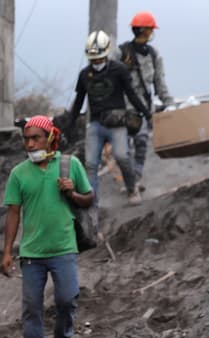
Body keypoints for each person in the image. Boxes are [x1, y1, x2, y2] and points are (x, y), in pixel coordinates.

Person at [0, 116, 95, 338]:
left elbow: (89, 198)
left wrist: (72, 193)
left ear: (51, 138)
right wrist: (7, 252)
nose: (30, 144)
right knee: (32, 308)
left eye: (35, 138)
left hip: (64, 248)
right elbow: (13, 213)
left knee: (67, 298)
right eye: (26, 139)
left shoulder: (70, 165)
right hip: (32, 253)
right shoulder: (18, 173)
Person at [64, 30, 151, 206]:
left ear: (106, 54)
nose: (96, 62)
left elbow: (132, 94)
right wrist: (69, 123)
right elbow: (79, 100)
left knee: (122, 156)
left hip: (117, 123)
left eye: (99, 58)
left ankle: (132, 188)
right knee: (91, 164)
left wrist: (147, 114)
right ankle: (91, 201)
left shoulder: (119, 70)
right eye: (93, 60)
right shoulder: (84, 75)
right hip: (95, 124)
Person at [117, 12, 172, 189]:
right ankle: (129, 180)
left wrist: (170, 104)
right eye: (150, 29)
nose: (151, 32)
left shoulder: (154, 55)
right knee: (123, 148)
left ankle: (136, 178)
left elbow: (159, 82)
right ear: (144, 30)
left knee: (141, 142)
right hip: (124, 108)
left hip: (144, 109)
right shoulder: (122, 52)